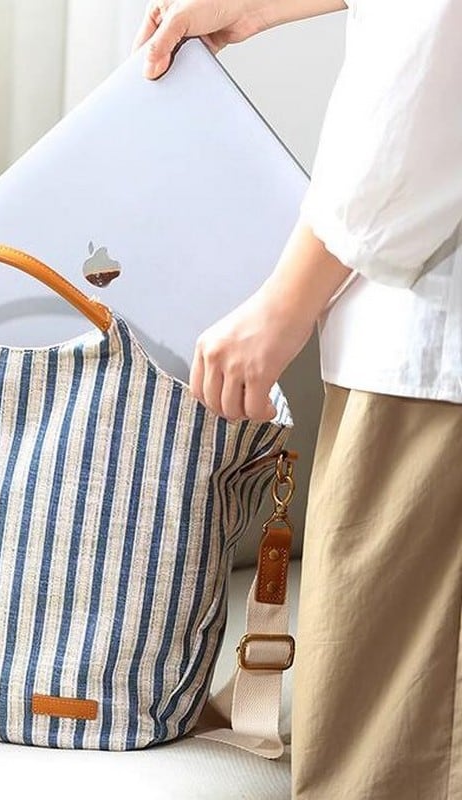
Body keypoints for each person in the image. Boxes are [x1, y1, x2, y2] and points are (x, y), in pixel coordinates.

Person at [133, 1, 462, 798]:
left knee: (385, 753)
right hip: (417, 335)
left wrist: (284, 304)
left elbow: (426, 65)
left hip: (430, 343)